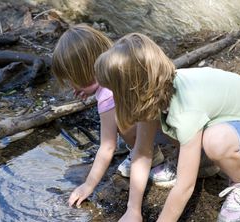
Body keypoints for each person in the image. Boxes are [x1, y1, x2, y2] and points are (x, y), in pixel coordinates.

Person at [94, 32, 240, 222]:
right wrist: (133, 210)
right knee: (176, 130)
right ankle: (203, 163)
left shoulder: (186, 110)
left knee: (216, 141)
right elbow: (142, 153)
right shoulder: (153, 94)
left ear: (132, 90)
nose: (112, 97)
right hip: (223, 118)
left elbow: (184, 187)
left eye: (114, 90)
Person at [51, 24, 165, 208]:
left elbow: (107, 146)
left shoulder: (106, 95)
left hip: (160, 127)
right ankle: (144, 146)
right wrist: (89, 89)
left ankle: (151, 157)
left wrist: (88, 185)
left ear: (86, 72)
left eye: (72, 80)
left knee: (122, 123)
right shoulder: (121, 63)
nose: (72, 86)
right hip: (165, 118)